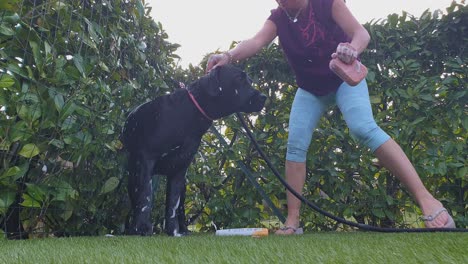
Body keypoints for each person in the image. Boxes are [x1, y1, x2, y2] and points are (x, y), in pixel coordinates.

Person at [206, 0, 456, 234]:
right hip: (310, 89)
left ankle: (428, 201)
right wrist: (227, 56)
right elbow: (256, 41)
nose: (281, 2)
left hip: (344, 78)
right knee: (295, 144)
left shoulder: (328, 3)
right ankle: (293, 221)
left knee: (363, 128)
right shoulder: (279, 18)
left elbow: (361, 34)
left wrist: (352, 49)